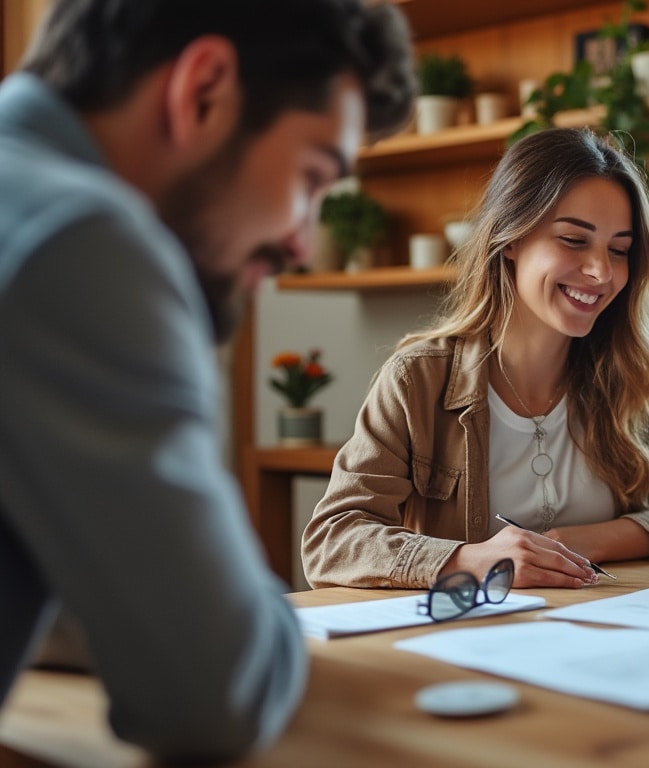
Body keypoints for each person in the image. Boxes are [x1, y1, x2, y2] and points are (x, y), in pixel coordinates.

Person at [0, 0, 414, 762]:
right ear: (204, 92)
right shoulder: (81, 241)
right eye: (313, 176)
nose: (301, 238)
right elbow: (214, 688)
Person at [302, 127, 649, 590]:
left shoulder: (635, 375)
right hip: (473, 643)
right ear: (511, 239)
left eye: (619, 250)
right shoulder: (417, 380)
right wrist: (472, 560)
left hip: (610, 629)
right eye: (573, 240)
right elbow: (332, 540)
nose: (602, 271)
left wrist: (593, 540)